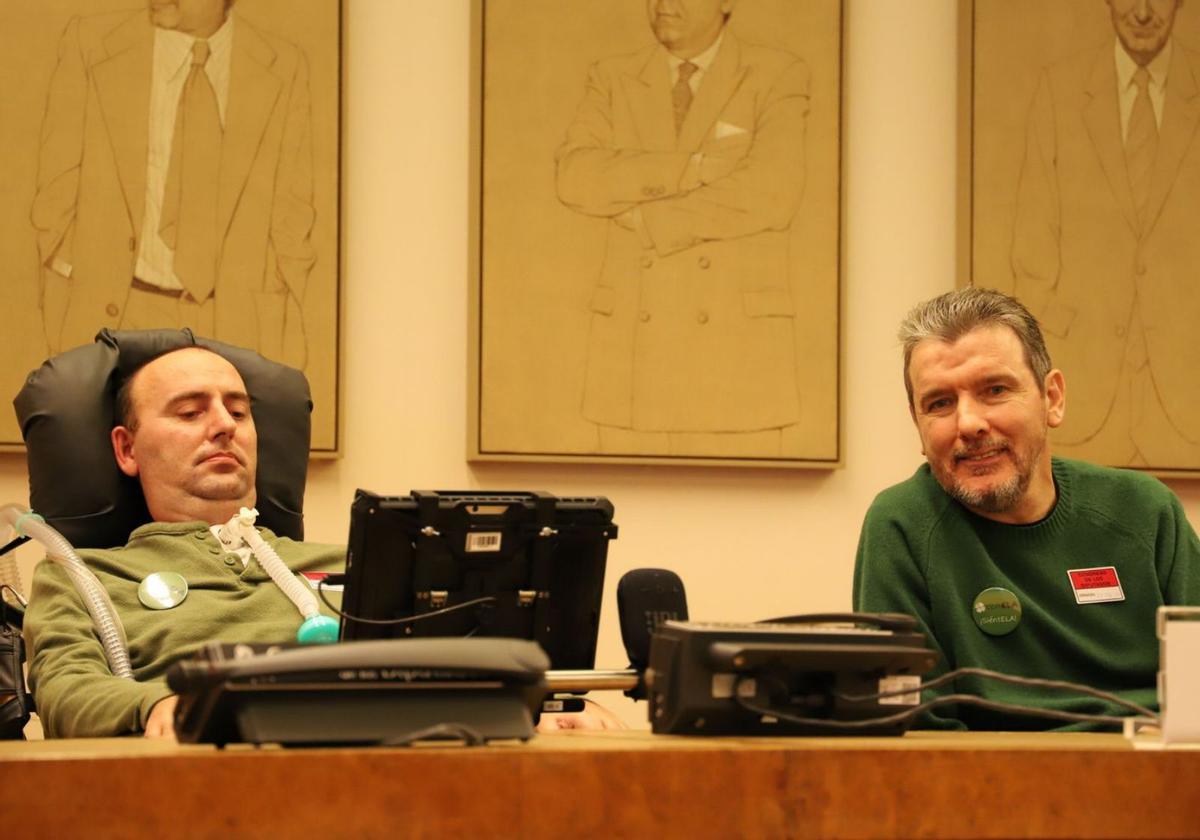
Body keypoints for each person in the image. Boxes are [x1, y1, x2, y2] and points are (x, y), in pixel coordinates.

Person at [24, 347, 622, 738]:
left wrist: (550, 703)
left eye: (238, 410)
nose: (225, 425)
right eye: (189, 411)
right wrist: (156, 709)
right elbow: (65, 689)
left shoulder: (357, 564)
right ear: (126, 449)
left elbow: (454, 666)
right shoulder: (85, 576)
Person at [853, 287, 1200, 730]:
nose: (969, 423)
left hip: (1156, 777)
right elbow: (917, 733)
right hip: (994, 788)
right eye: (939, 403)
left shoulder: (1144, 511)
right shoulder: (901, 525)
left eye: (994, 390)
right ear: (918, 425)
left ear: (1051, 398)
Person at [555, 0, 809, 457]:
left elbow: (773, 192)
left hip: (735, 346)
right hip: (630, 354)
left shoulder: (775, 73)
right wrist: (690, 169)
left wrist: (650, 218)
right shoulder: (612, 76)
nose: (664, 5)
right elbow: (575, 176)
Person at [30, 0, 315, 368]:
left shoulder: (283, 66)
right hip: (115, 316)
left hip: (229, 327)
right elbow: (55, 193)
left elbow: (294, 218)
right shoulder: (91, 43)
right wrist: (69, 280)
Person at [1011, 0, 1200, 467]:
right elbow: (1032, 239)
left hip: (1184, 383)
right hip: (1083, 383)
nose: (1142, 12)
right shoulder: (1061, 88)